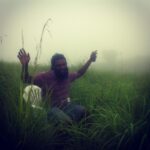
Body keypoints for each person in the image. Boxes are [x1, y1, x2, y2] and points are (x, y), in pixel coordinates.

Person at [17, 49, 97, 123]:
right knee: (65, 121)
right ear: (53, 67)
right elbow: (26, 79)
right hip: (52, 109)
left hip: (67, 106)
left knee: (86, 113)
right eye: (59, 65)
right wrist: (25, 65)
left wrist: (90, 60)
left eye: (64, 64)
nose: (62, 67)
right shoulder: (44, 77)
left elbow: (79, 73)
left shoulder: (67, 76)